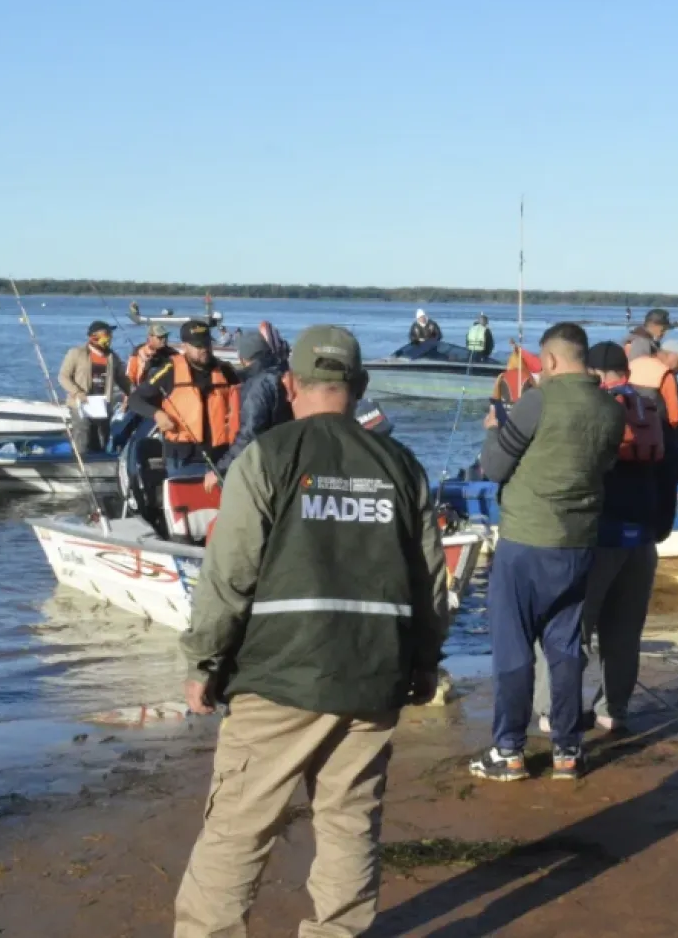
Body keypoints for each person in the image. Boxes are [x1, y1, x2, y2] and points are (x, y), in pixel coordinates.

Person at [172, 325, 447, 938]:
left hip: (277, 680)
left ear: (290, 384)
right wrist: (426, 662)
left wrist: (203, 661)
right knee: (350, 826)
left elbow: (228, 574)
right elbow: (429, 580)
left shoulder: (266, 456)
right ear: (360, 386)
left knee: (238, 828)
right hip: (373, 678)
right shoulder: (403, 466)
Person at [472, 323, 625, 782]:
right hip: (578, 543)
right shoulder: (610, 410)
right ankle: (566, 750)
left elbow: (495, 467)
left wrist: (494, 430)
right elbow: (606, 465)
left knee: (514, 646)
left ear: (553, 360)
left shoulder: (537, 401)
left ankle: (509, 750)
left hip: (526, 541)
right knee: (565, 647)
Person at [534, 341, 673, 734]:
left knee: (568, 628)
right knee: (624, 633)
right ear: (624, 371)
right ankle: (614, 710)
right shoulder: (651, 407)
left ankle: (552, 710)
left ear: (593, 372)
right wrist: (660, 527)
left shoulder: (593, 409)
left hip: (597, 539)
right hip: (642, 540)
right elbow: (671, 470)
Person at [128, 319, 241, 474]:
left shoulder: (225, 371)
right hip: (182, 456)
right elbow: (135, 399)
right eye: (198, 346)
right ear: (184, 346)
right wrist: (158, 414)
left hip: (220, 455)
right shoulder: (170, 370)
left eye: (207, 344)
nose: (204, 349)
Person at [207, 331, 292, 492]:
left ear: (244, 358)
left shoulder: (258, 386)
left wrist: (221, 469)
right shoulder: (283, 373)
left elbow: (250, 432)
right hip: (286, 460)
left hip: (265, 467)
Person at [58, 320, 131, 452]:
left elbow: (122, 379)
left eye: (110, 335)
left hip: (102, 404)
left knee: (101, 438)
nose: (109, 337)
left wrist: (134, 394)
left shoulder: (112, 356)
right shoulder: (76, 353)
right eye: (106, 334)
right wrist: (77, 393)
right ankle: (80, 464)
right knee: (82, 434)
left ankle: (99, 464)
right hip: (80, 403)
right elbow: (63, 377)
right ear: (94, 337)